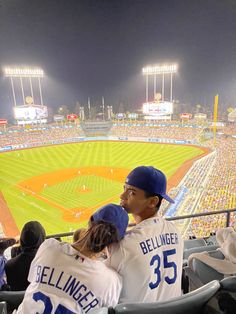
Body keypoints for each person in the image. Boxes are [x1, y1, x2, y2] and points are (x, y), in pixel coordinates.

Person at [15, 204, 129, 314]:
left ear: (89, 224)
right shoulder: (112, 282)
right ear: (114, 243)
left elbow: (33, 282)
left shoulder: (49, 247)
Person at [109, 166, 184, 303]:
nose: (122, 196)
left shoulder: (125, 245)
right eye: (124, 188)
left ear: (153, 201)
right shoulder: (176, 231)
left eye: (131, 192)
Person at [5, 221, 46, 291]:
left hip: (18, 302)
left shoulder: (9, 265)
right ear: (42, 238)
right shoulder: (48, 263)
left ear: (22, 239)